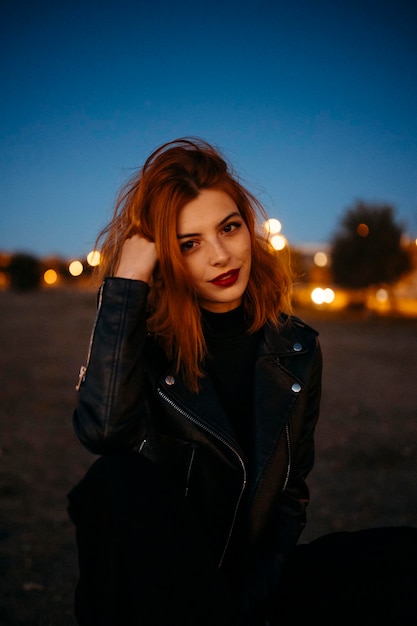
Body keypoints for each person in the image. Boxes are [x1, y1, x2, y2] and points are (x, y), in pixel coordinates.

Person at [68, 137, 322, 626]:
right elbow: (102, 434)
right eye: (190, 244)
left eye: (229, 228)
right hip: (157, 584)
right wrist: (127, 289)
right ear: (166, 257)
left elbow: (290, 495)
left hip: (246, 584)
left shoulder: (297, 349)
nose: (222, 256)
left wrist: (251, 602)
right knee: (113, 479)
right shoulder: (147, 342)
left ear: (249, 228)